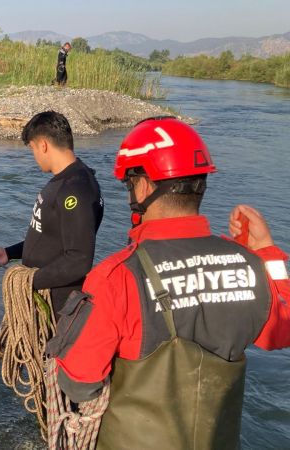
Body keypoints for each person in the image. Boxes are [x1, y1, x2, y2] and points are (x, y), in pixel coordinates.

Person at [47, 117, 290, 449]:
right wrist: (267, 252)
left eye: (129, 183)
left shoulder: (116, 277)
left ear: (145, 186)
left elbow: (78, 381)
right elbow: (281, 330)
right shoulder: (250, 264)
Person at [0, 111, 104, 313]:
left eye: (32, 148)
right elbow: (49, 236)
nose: (34, 156)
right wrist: (9, 253)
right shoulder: (65, 182)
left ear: (43, 145)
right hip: (43, 298)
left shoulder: (75, 190)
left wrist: (28, 281)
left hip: (58, 306)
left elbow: (79, 260)